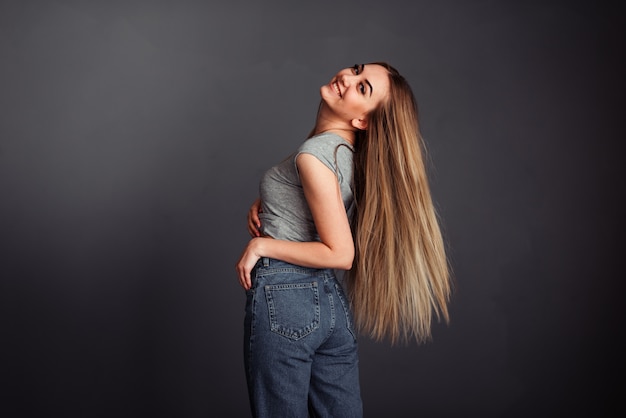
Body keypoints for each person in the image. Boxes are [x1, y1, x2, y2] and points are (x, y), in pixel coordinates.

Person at [236, 62, 452, 417]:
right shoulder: (342, 155)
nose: (347, 78)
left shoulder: (314, 157)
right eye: (356, 70)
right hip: (329, 307)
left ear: (363, 121)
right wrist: (271, 199)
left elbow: (341, 253)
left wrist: (262, 245)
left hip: (286, 300)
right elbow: (325, 202)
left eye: (362, 87)